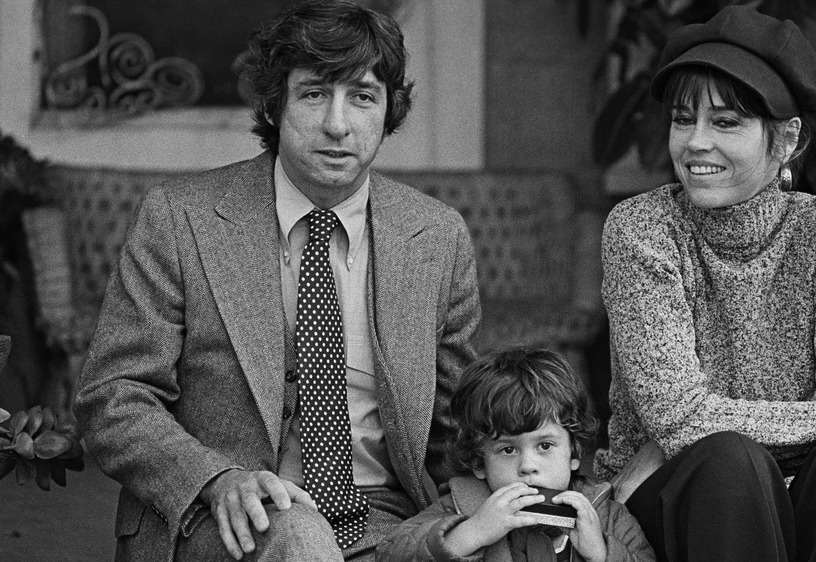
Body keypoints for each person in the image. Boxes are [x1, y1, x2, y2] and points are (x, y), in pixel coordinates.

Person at [73, 1, 480, 560]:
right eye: (315, 94)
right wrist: (216, 477)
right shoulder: (180, 219)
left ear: (388, 112)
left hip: (382, 516)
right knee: (299, 537)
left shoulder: (436, 237)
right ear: (276, 103)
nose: (338, 124)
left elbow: (457, 421)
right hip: (221, 512)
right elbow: (113, 397)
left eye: (362, 96)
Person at [596, 6, 816, 561]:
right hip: (677, 498)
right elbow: (680, 419)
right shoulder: (641, 229)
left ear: (787, 139)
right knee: (730, 460)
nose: (695, 142)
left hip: (799, 499)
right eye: (682, 119)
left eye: (726, 122)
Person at [376, 347, 655, 561]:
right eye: (508, 449)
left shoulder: (605, 515)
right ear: (479, 461)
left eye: (545, 446)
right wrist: (471, 533)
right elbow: (389, 553)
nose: (528, 466)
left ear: (574, 452)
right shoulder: (460, 507)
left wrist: (602, 553)